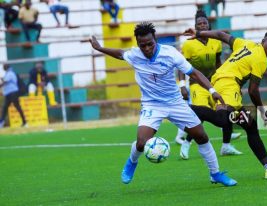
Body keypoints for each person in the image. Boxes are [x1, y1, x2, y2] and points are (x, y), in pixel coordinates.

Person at [89, 22, 237, 186]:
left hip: (175, 103)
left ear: (155, 40)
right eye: (142, 45)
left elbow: (193, 73)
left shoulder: (170, 53)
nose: (146, 48)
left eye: (150, 44)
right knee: (141, 143)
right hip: (152, 105)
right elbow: (119, 53)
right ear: (138, 44)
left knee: (201, 136)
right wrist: (99, 48)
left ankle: (215, 174)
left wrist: (212, 91)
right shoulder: (135, 55)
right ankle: (132, 162)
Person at [183, 28, 267, 179]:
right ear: (263, 41)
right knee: (222, 120)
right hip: (229, 84)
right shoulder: (261, 59)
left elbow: (221, 35)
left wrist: (199, 33)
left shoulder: (245, 43)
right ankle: (186, 109)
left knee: (250, 125)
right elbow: (253, 91)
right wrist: (262, 110)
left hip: (219, 80)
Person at [178, 10, 242, 160]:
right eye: (199, 24)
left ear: (209, 24)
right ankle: (186, 143)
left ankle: (226, 145)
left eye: (204, 23)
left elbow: (218, 62)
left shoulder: (216, 41)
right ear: (195, 26)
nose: (202, 25)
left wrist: (223, 78)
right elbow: (181, 66)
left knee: (226, 108)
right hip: (197, 85)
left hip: (214, 82)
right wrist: (182, 85)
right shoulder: (188, 44)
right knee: (200, 114)